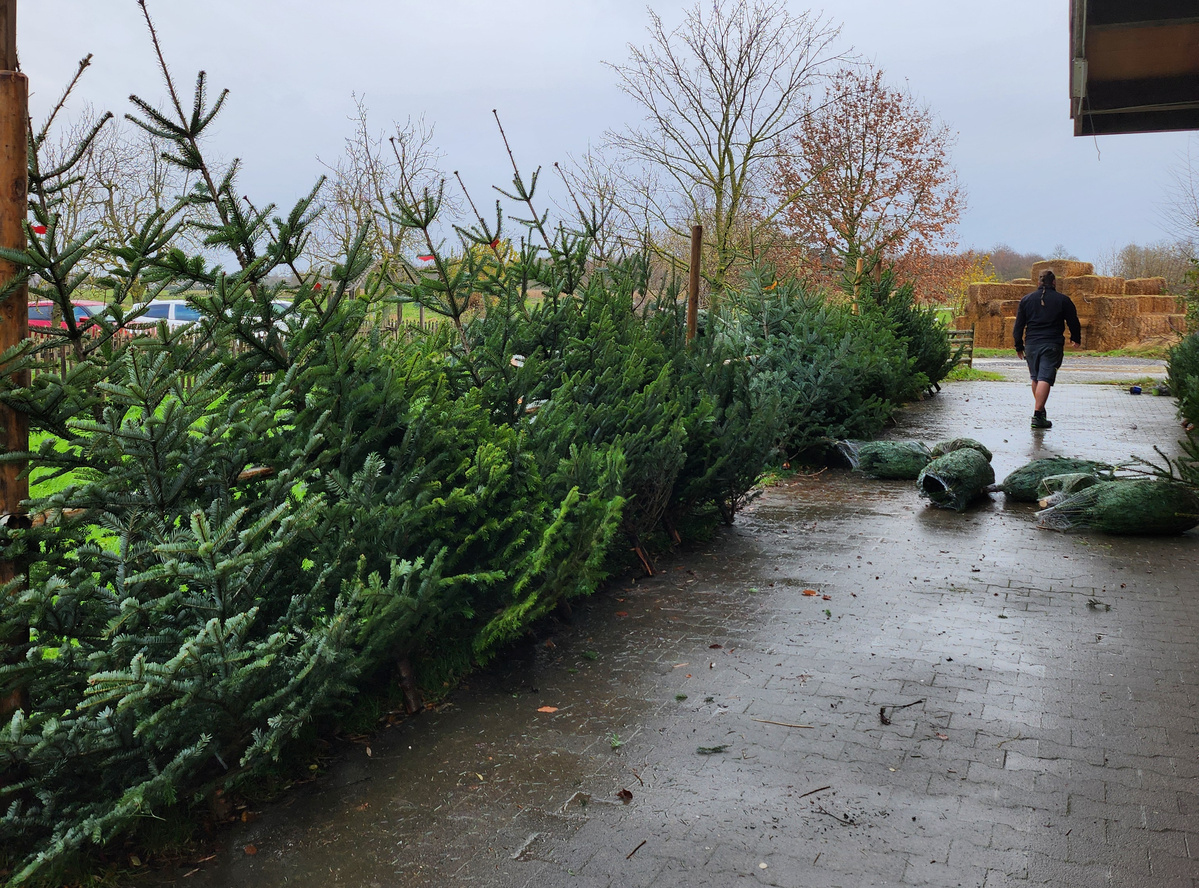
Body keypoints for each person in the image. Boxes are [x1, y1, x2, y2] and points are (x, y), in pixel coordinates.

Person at [1013, 269, 1081, 429]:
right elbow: (1073, 321)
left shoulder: (1026, 300)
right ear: (1054, 282)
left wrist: (1018, 345)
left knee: (1036, 378)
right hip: (1052, 344)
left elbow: (1019, 325)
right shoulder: (1063, 300)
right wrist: (1076, 338)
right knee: (1045, 378)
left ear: (1038, 282)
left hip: (1031, 344)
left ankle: (1041, 413)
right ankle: (1038, 415)